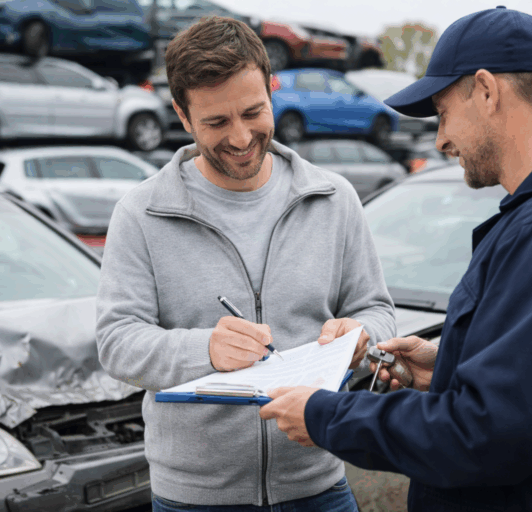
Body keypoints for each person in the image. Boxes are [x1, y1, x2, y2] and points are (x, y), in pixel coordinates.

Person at [260, 7, 532, 512]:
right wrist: (449, 365)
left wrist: (327, 416)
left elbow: (491, 436)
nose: (440, 139)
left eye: (443, 112)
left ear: (487, 90)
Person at [95, 15, 396, 511]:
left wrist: (362, 339)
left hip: (319, 486)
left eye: (253, 112)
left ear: (272, 89)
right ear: (182, 115)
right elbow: (116, 342)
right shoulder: (141, 212)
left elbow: (378, 312)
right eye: (216, 122)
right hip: (194, 499)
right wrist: (204, 350)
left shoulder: (334, 198)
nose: (239, 137)